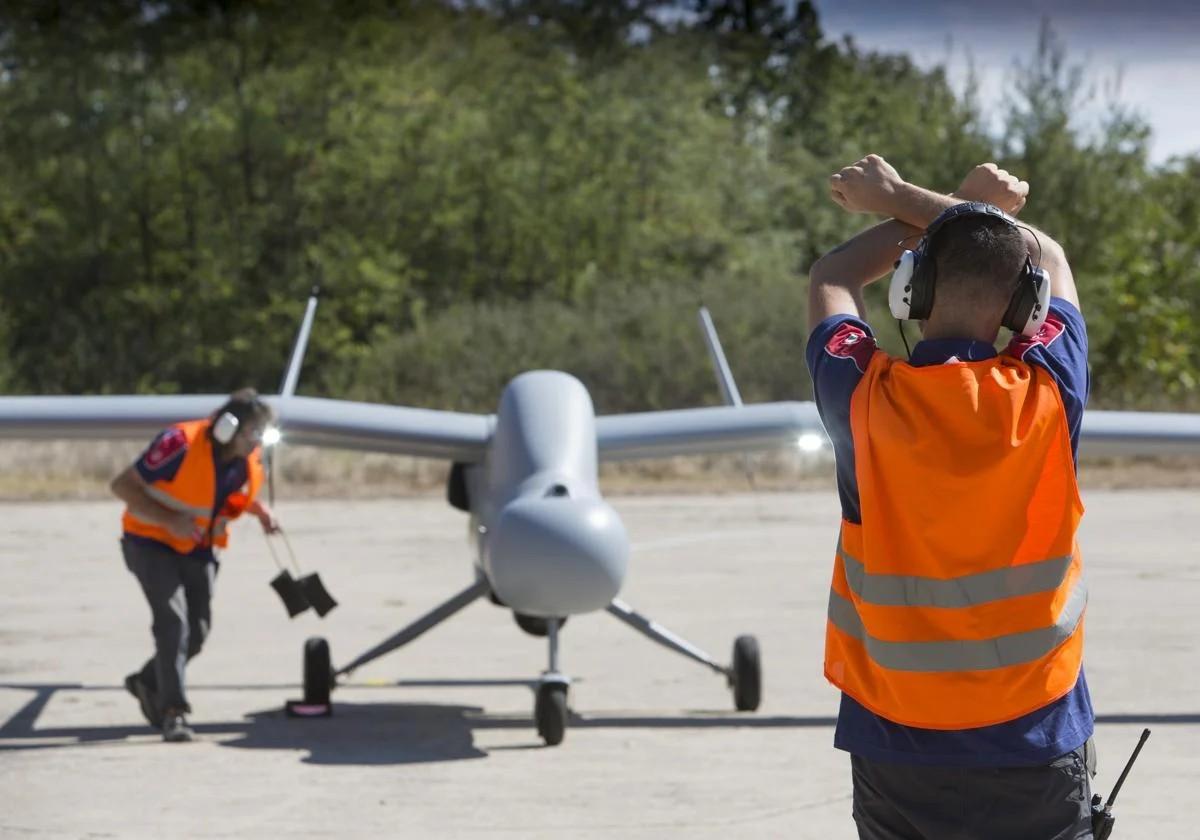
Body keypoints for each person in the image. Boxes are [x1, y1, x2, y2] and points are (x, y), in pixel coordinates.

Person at [806, 155, 1095, 839]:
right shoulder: (1050, 389)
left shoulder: (862, 398)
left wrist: (918, 211)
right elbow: (1044, 253)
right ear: (1027, 304)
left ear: (914, 289)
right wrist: (929, 201)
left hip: (897, 745)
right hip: (1037, 735)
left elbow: (833, 276)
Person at [111, 388, 280, 742]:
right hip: (150, 543)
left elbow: (224, 494)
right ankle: (173, 713)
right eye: (253, 432)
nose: (257, 441)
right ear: (227, 428)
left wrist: (260, 511)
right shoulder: (179, 443)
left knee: (197, 634)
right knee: (173, 623)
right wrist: (169, 520)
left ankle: (147, 681)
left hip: (198, 548)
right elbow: (123, 485)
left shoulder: (247, 459)